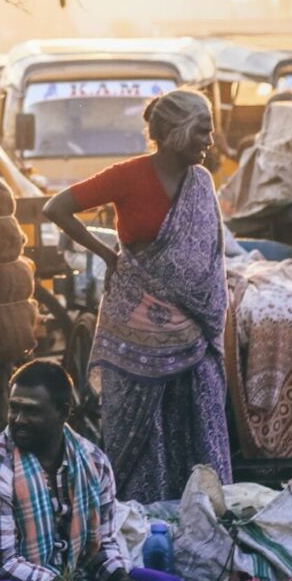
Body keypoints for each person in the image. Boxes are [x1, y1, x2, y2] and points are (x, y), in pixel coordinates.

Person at [43, 89, 231, 503]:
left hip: (193, 330)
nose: (209, 142)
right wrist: (106, 254)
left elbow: (208, 258)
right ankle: (140, 514)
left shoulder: (200, 183)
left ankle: (202, 513)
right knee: (140, 429)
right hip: (135, 325)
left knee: (195, 419)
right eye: (203, 131)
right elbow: (56, 208)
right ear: (177, 132)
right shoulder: (128, 176)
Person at [0, 360, 188, 581]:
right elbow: (2, 564)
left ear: (63, 412)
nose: (18, 420)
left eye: (32, 411)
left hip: (69, 576)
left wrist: (119, 578)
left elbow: (102, 543)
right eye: (14, 408)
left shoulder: (94, 461)